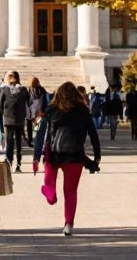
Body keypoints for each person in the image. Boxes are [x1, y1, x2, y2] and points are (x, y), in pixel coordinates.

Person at [32, 82, 102, 236]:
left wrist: (36, 157)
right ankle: (68, 224)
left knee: (49, 185)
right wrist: (97, 157)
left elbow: (40, 135)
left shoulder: (50, 111)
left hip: (54, 154)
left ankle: (50, 195)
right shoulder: (83, 111)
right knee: (71, 192)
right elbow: (93, 135)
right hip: (75, 155)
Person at [0, 71, 31, 172]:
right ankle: (18, 165)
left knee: (9, 142)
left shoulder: (4, 90)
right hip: (19, 120)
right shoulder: (23, 89)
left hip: (8, 119)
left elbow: (0, 105)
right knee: (18, 143)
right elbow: (29, 102)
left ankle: (9, 163)